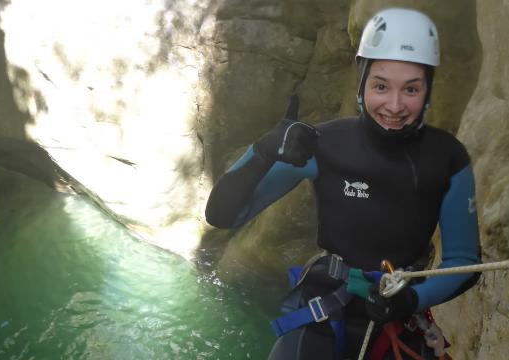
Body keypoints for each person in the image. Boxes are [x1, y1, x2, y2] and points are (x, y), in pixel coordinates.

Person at [204, 7, 481, 360]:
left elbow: (464, 262)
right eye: (381, 86)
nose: (395, 105)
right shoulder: (323, 144)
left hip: (399, 310)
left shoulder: (448, 158)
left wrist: (411, 299)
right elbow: (223, 215)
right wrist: (263, 151)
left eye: (411, 88)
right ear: (362, 80)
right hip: (328, 305)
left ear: (427, 91)